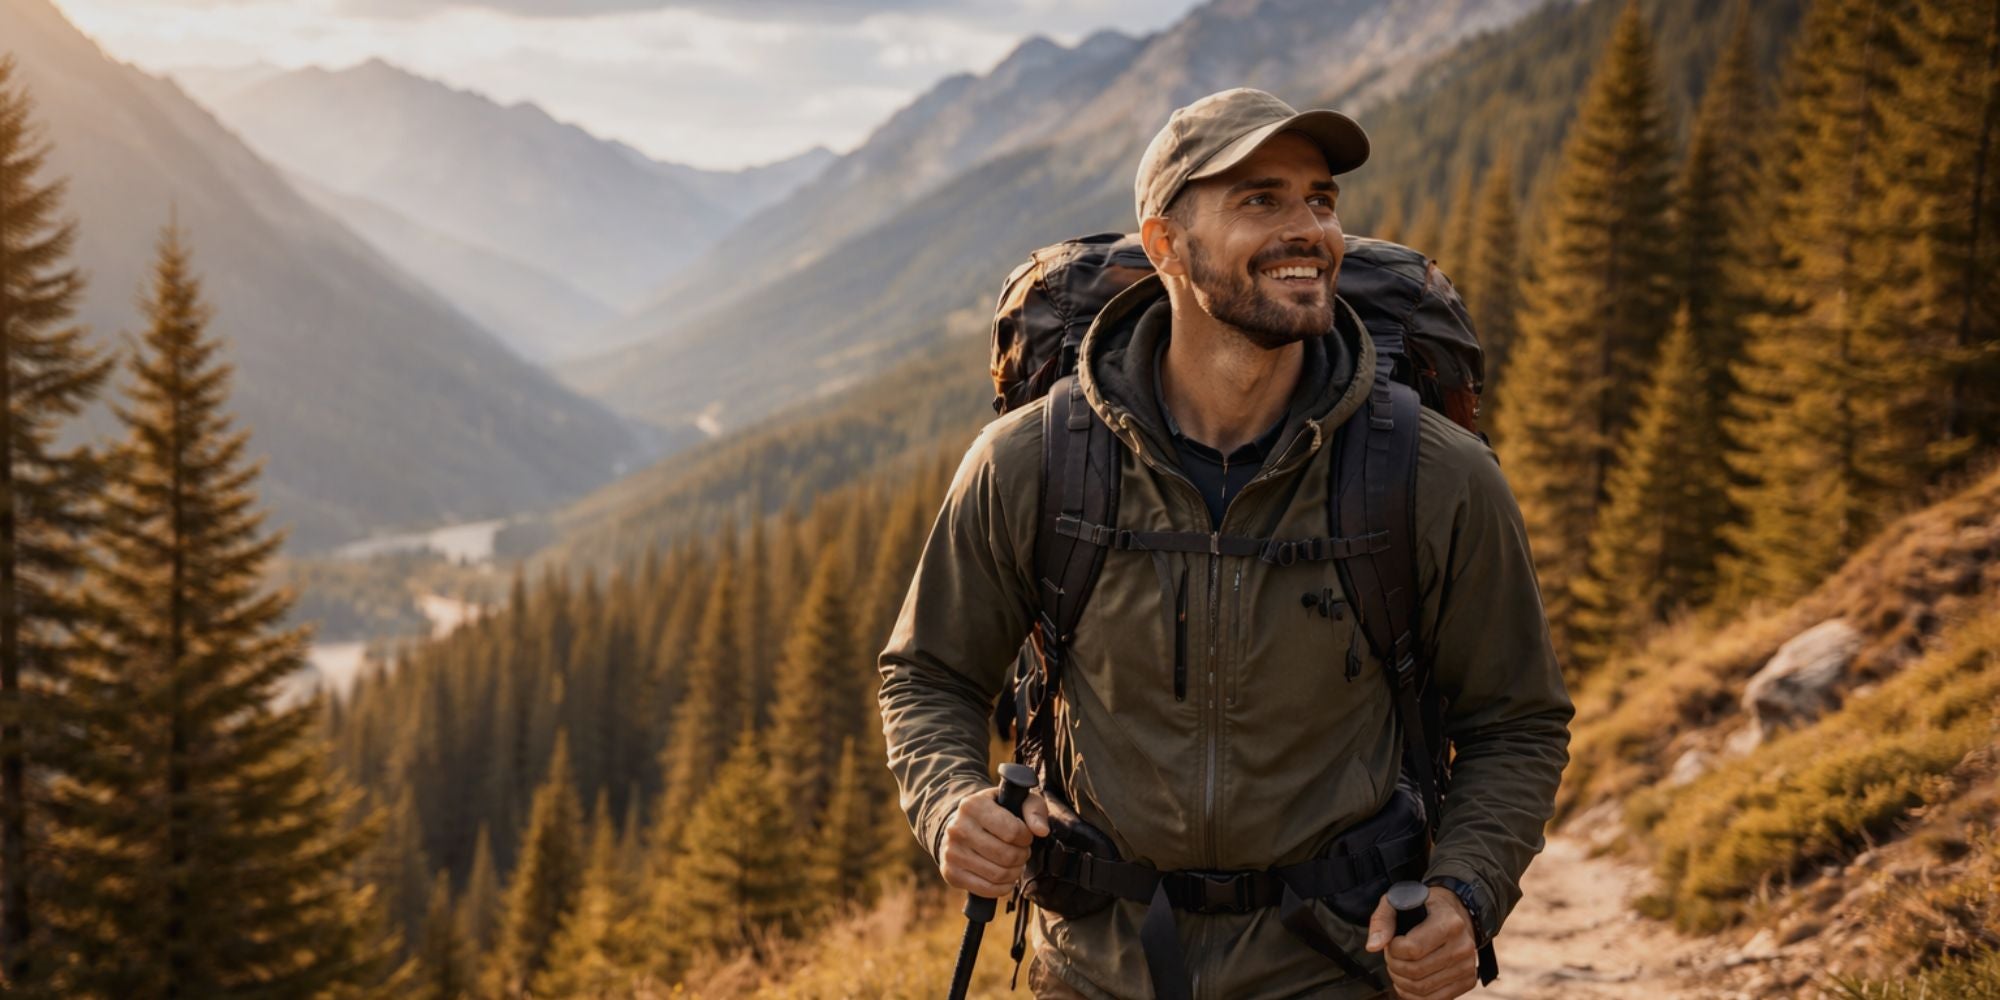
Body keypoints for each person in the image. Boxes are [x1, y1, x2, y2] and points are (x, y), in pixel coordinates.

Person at [877, 87, 1573, 1000]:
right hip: (1093, 970)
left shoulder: (1432, 475)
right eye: (1261, 199)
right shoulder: (1035, 463)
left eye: (1320, 199)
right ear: (1165, 243)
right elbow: (926, 672)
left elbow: (1515, 720)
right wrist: (950, 804)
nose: (1310, 230)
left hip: (1333, 969)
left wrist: (1465, 893)